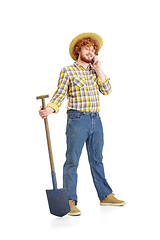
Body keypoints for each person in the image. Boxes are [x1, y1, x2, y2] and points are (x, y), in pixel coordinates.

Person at [39, 32, 126, 216]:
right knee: (72, 161)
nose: (91, 52)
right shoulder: (68, 71)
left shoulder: (95, 72)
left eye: (94, 50)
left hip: (96, 119)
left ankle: (105, 195)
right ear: (79, 50)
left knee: (97, 160)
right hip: (77, 120)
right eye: (88, 48)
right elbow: (60, 94)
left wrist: (99, 68)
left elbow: (107, 90)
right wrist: (51, 109)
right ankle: (70, 200)